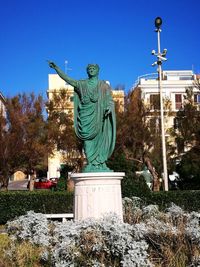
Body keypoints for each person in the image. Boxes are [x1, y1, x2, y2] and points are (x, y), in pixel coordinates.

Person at [48, 61, 116, 172]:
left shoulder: (104, 86)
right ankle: (91, 163)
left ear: (98, 71)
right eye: (89, 68)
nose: (91, 70)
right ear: (87, 71)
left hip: (99, 116)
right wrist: (57, 68)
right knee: (87, 139)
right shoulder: (82, 84)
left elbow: (109, 100)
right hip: (85, 116)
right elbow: (68, 79)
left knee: (99, 139)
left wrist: (109, 106)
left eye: (94, 68)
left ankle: (100, 163)